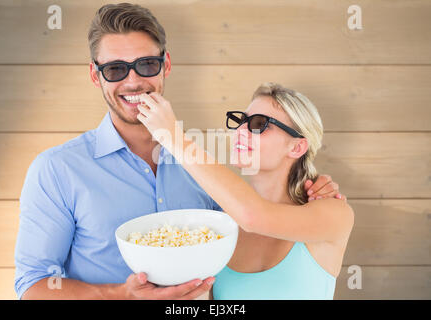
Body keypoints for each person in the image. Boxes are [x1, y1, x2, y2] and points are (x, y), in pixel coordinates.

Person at [14, 3, 342, 300]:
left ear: (165, 65)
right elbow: (32, 288)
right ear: (94, 74)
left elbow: (255, 215)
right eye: (115, 69)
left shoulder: (206, 171)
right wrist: (120, 294)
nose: (132, 81)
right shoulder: (57, 169)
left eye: (145, 65)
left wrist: (310, 184)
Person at [136, 82, 354, 299]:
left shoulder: (335, 213)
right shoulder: (220, 227)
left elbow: (253, 216)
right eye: (241, 121)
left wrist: (174, 138)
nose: (240, 130)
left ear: (297, 147)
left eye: (259, 124)